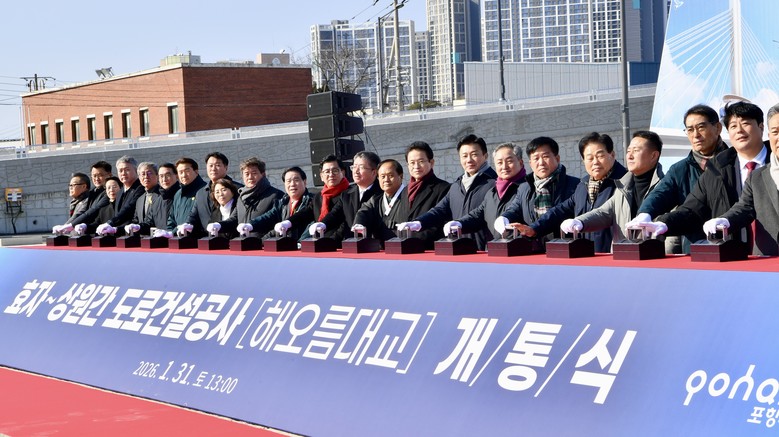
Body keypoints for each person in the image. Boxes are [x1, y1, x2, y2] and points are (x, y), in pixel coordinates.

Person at [644, 101, 771, 249]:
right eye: (733, 126)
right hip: (733, 254)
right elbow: (692, 210)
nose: (739, 131)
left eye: (745, 124)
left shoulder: (775, 162)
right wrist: (664, 223)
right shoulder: (716, 169)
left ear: (761, 127)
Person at [628, 105, 728, 253]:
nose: (696, 135)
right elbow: (660, 194)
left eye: (701, 127)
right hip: (696, 249)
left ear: (717, 128)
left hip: (734, 245)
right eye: (690, 130)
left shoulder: (733, 162)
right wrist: (645, 214)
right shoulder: (680, 169)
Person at [510, 132, 628, 253]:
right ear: (583, 161)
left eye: (600, 156)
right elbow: (561, 210)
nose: (595, 162)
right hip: (588, 255)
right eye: (590, 158)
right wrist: (534, 229)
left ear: (612, 155)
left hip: (618, 254)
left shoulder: (625, 183)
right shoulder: (583, 185)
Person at [561, 131, 664, 250]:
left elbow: (672, 237)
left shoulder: (665, 188)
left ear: (653, 156)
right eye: (628, 151)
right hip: (624, 255)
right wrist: (580, 222)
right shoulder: (623, 187)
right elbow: (603, 213)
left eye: (636, 151)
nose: (629, 156)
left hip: (656, 256)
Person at [700, 103, 779, 255]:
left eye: (745, 124)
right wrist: (724, 221)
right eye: (775, 132)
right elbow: (744, 208)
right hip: (768, 261)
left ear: (760, 128)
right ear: (769, 135)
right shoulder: (757, 177)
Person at [402, 135, 498, 250]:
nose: (469, 160)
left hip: (486, 251)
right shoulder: (457, 186)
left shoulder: (495, 183)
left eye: (474, 154)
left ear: (485, 156)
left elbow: (481, 215)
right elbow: (440, 210)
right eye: (464, 156)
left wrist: (461, 224)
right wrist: (419, 223)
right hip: (460, 250)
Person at [494, 136, 578, 249]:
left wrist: (534, 229)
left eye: (545, 157)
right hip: (534, 250)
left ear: (557, 158)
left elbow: (560, 212)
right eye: (536, 158)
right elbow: (515, 209)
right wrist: (504, 217)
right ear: (530, 163)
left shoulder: (575, 185)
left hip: (566, 249)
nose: (541, 163)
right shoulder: (524, 188)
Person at [447, 143, 526, 243]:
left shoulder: (528, 189)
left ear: (521, 162)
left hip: (522, 249)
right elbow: (477, 215)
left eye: (509, 161)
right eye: (499, 163)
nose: (504, 166)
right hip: (495, 249)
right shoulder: (492, 192)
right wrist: (459, 223)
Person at [306, 151, 382, 242]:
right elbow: (335, 214)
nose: (356, 171)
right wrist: (323, 224)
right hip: (351, 245)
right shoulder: (347, 194)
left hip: (376, 245)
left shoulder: (382, 192)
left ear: (374, 172)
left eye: (361, 167)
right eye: (354, 167)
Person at [393, 141, 451, 247]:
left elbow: (440, 222)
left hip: (430, 249)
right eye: (412, 163)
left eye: (421, 161)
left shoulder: (443, 188)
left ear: (431, 162)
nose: (416, 166)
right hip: (406, 247)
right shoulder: (404, 190)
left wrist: (415, 240)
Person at [237, 167, 314, 240]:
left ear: (304, 182)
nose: (292, 184)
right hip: (286, 244)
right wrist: (250, 225)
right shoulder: (282, 202)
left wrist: (301, 243)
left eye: (296, 180)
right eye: (288, 181)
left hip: (303, 245)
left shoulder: (312, 202)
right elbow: (268, 217)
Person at [186, 152, 242, 237]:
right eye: (210, 165)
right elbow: (193, 216)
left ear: (226, 167)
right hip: (209, 240)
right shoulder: (201, 193)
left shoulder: (238, 190)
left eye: (217, 165)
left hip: (233, 238)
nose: (213, 169)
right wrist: (187, 225)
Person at [352, 159, 408, 242]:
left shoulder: (409, 196)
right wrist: (359, 224)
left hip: (405, 246)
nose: (386, 180)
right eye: (382, 176)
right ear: (378, 178)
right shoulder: (375, 200)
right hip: (381, 248)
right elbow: (363, 213)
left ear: (401, 176)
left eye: (390, 175)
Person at [96, 156, 144, 236]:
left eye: (127, 170)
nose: (123, 173)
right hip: (119, 234)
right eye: (120, 170)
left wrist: (110, 222)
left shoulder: (140, 188)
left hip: (134, 234)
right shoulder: (121, 191)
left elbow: (129, 209)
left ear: (136, 170)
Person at [128, 162, 180, 236]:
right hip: (159, 240)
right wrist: (138, 227)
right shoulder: (157, 200)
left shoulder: (182, 196)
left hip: (179, 240)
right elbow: (149, 222)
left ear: (177, 176)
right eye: (161, 176)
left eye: (167, 175)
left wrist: (171, 233)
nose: (164, 179)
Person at [165, 157, 208, 236]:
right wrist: (169, 233)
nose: (184, 175)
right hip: (179, 238)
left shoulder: (205, 191)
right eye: (180, 172)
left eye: (187, 171)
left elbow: (199, 219)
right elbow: (171, 219)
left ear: (196, 171)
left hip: (198, 238)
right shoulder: (178, 194)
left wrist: (173, 232)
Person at [310, 155, 351, 235]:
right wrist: (288, 223)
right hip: (321, 240)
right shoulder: (318, 197)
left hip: (342, 240)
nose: (331, 174)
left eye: (335, 170)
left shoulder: (350, 194)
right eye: (327, 172)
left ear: (343, 173)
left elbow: (346, 224)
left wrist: (330, 240)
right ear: (321, 176)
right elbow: (305, 214)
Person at [125, 162, 160, 235]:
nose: (146, 176)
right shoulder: (140, 199)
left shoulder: (162, 195)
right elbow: (136, 221)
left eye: (149, 173)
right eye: (143, 174)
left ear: (157, 175)